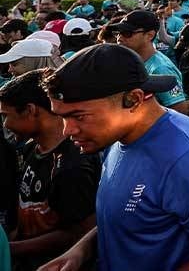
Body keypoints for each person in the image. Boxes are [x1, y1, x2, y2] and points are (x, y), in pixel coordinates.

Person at [39, 43, 189, 271]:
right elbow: (132, 216)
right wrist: (81, 250)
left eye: (79, 116)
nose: (67, 130)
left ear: (134, 99)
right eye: (63, 118)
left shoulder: (186, 157)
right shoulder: (117, 136)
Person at [0, 70, 100, 270]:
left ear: (30, 110)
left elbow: (77, 234)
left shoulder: (72, 167)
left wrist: (10, 249)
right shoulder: (31, 148)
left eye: (6, 116)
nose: (5, 125)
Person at [107, 10, 189, 115]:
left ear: (150, 35)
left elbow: (180, 109)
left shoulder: (160, 68)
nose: (119, 38)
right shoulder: (132, 60)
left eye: (127, 33)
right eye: (118, 33)